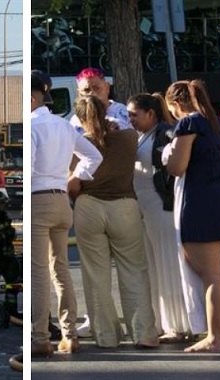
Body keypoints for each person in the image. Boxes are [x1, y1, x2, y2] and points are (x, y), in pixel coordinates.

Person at [163, 79, 220, 352]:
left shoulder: (188, 124)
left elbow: (177, 167)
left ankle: (214, 338)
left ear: (176, 104)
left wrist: (169, 152)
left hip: (199, 200)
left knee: (210, 274)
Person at [70, 95, 159, 349]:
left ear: (80, 118)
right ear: (105, 111)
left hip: (89, 206)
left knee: (95, 275)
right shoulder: (128, 138)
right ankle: (144, 333)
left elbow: (72, 184)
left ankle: (106, 336)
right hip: (124, 205)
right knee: (134, 271)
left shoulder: (78, 145)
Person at [31, 70, 103, 356]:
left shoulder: (32, 125)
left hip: (38, 199)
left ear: (33, 97)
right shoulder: (64, 126)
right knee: (60, 269)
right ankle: (69, 334)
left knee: (38, 272)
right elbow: (94, 156)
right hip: (62, 200)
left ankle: (38, 337)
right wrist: (71, 179)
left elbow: (32, 165)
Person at [127, 93, 191, 342]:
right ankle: (163, 322)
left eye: (135, 114)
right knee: (153, 267)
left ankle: (178, 325)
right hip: (146, 206)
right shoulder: (144, 135)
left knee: (168, 265)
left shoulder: (165, 133)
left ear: (150, 114)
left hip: (161, 206)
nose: (130, 119)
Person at [69, 67, 131, 133]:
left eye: (97, 88)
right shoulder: (75, 122)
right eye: (86, 90)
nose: (92, 94)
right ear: (79, 94)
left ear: (107, 88)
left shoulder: (125, 114)